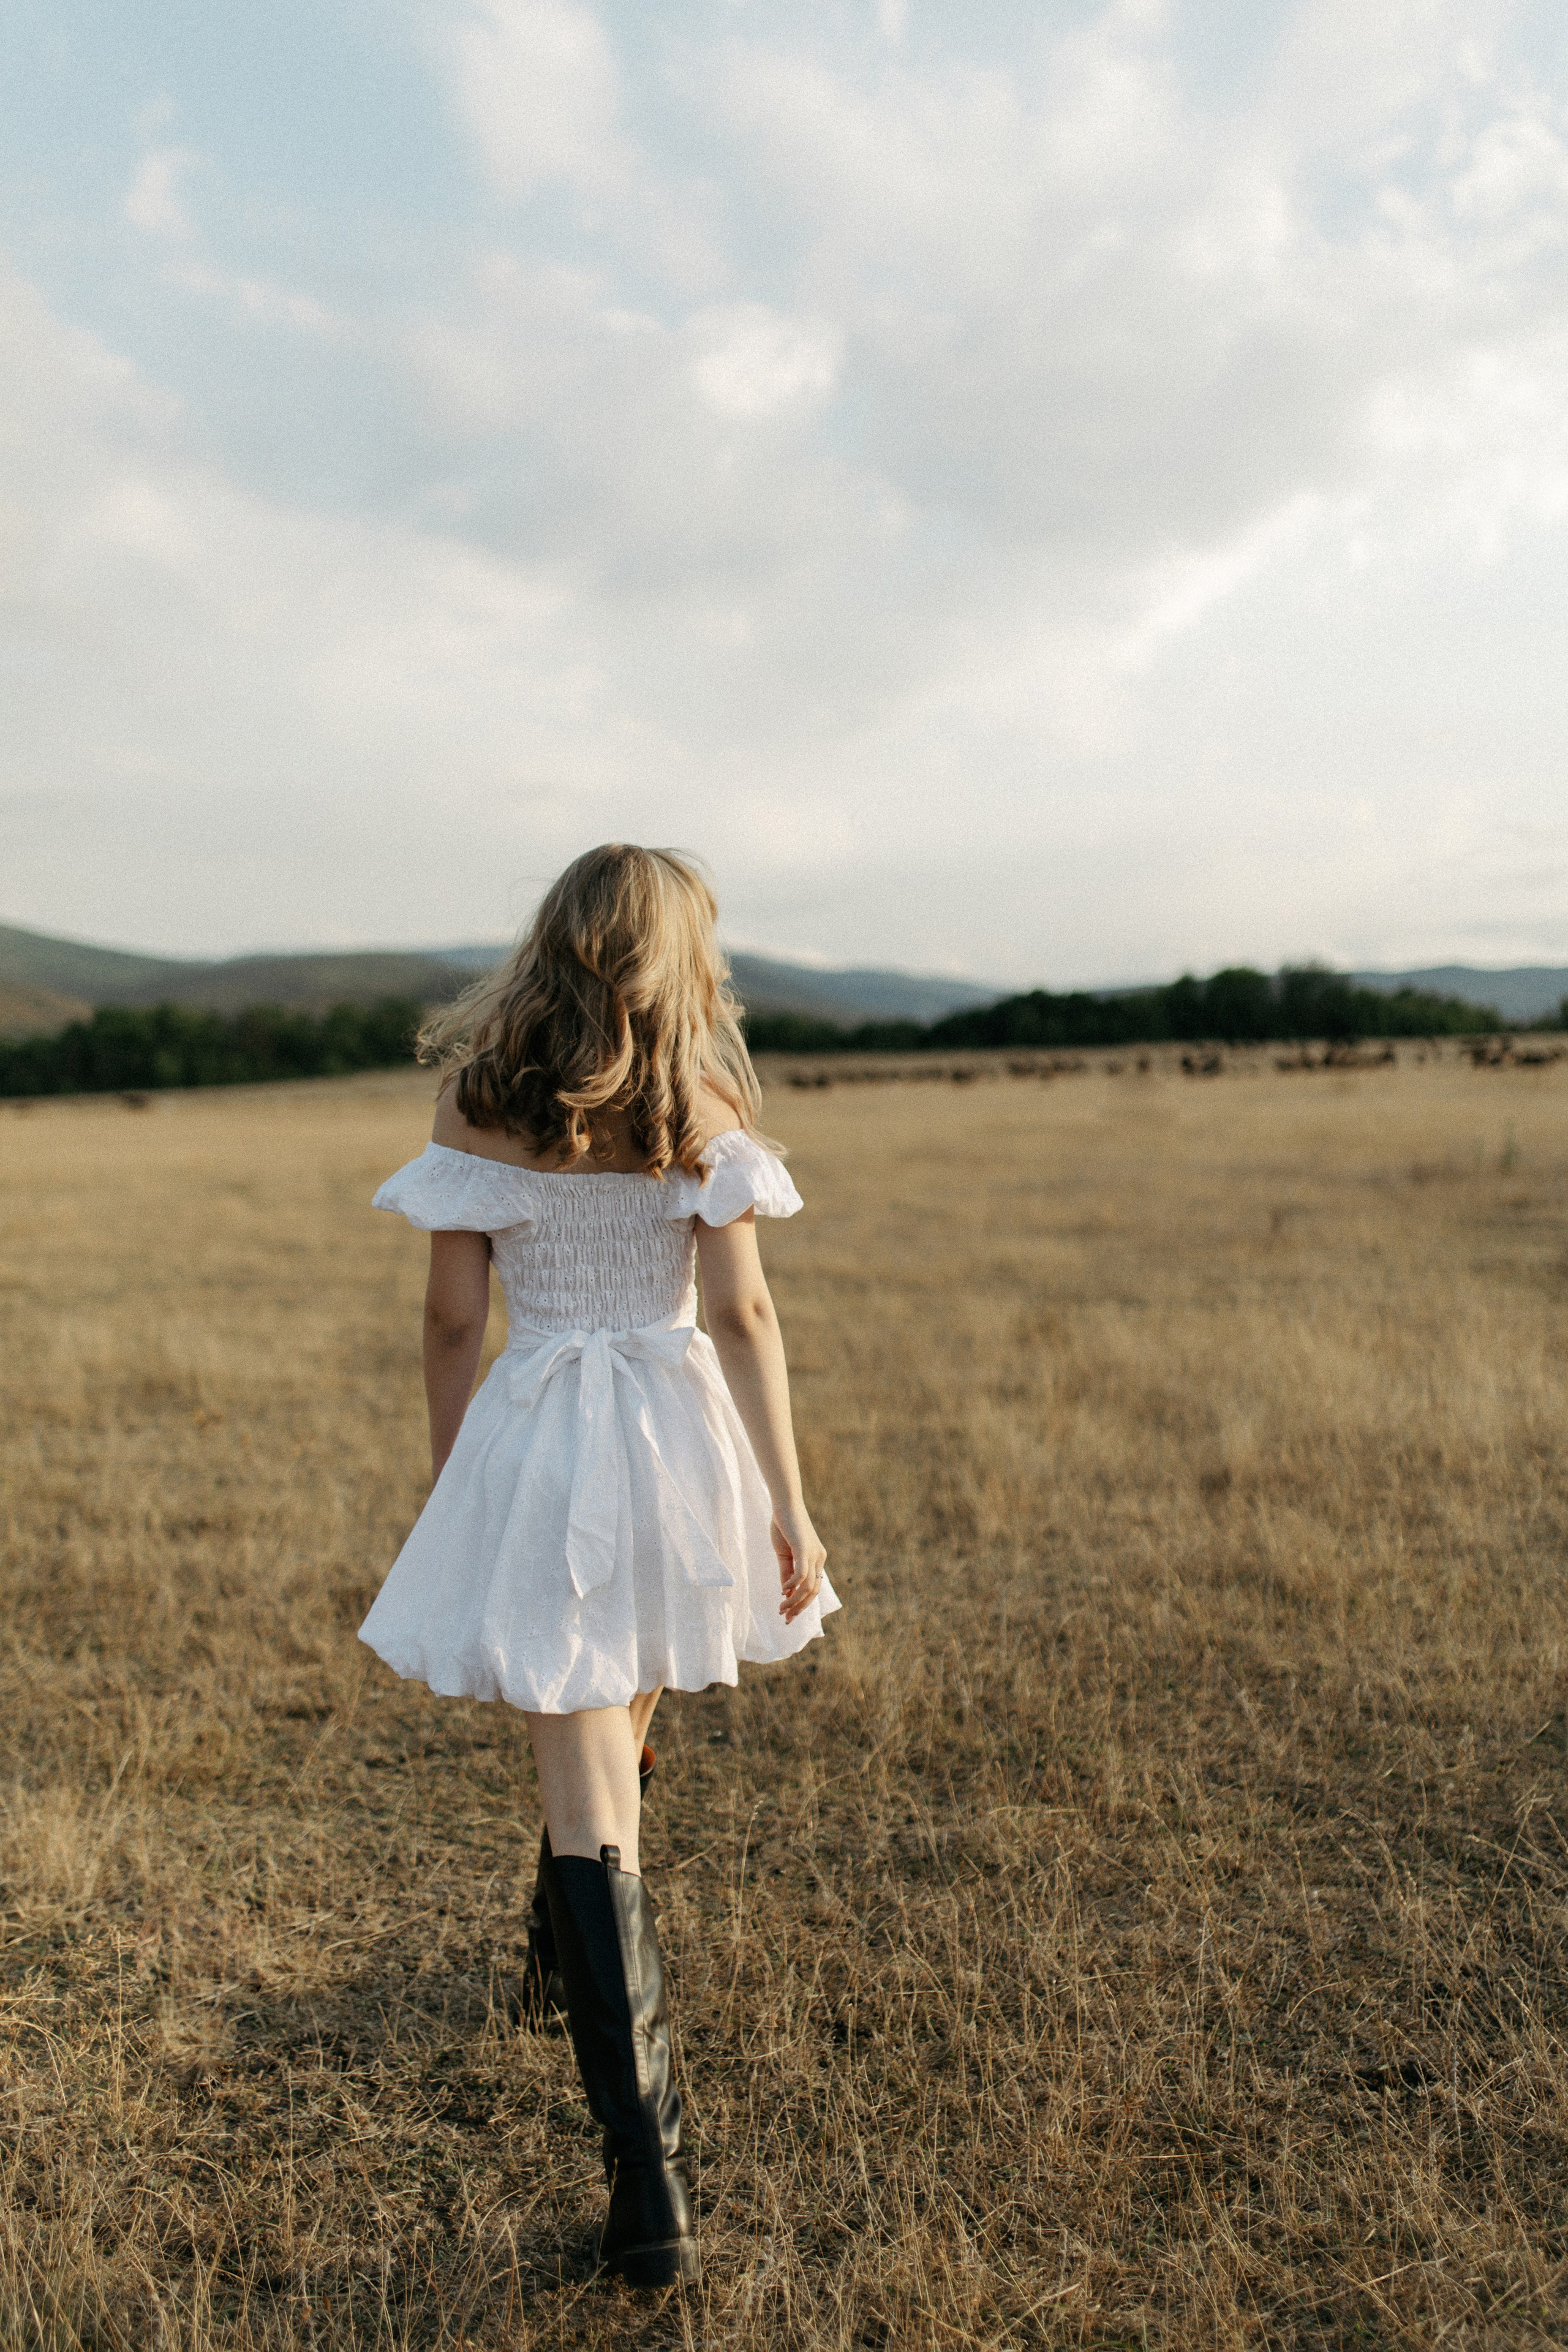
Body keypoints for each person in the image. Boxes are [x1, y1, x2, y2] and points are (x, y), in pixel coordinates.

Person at [359, 843, 839, 2290]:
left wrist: (457, 1477)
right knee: (604, 1728)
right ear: (682, 956)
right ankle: (608, 2074)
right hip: (676, 1442)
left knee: (595, 1755)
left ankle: (649, 2189)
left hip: (543, 1434)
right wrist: (787, 1503)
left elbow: (452, 1322)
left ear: (553, 941)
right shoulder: (700, 1105)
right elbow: (743, 1318)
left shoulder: (478, 1100)